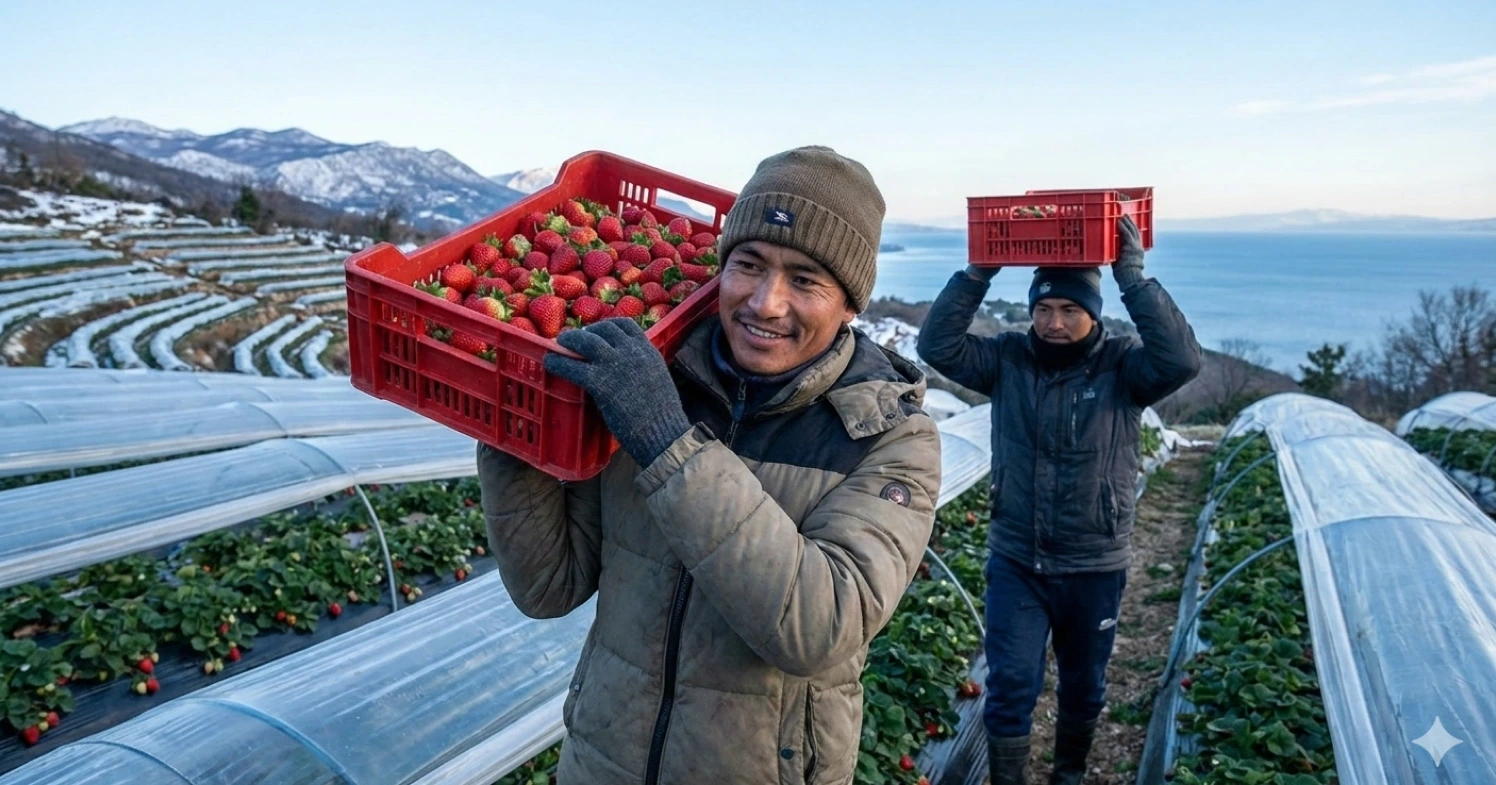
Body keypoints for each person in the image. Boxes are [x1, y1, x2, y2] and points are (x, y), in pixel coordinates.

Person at [477, 146, 943, 785]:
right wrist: (511, 423)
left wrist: (668, 443)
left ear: (850, 304)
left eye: (805, 279)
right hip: (601, 764)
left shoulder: (889, 436)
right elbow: (549, 586)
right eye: (748, 265)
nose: (766, 303)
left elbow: (821, 625)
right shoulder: (648, 377)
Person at [915, 217, 1202, 785]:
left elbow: (1182, 361)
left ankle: (1068, 775)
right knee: (1010, 685)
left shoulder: (1124, 368)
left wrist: (1133, 279)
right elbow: (936, 346)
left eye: (1070, 309)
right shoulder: (1007, 360)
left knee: (1084, 686)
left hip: (1093, 562)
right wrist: (977, 273)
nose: (1054, 322)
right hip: (1017, 558)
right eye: (1043, 309)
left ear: (1094, 312)